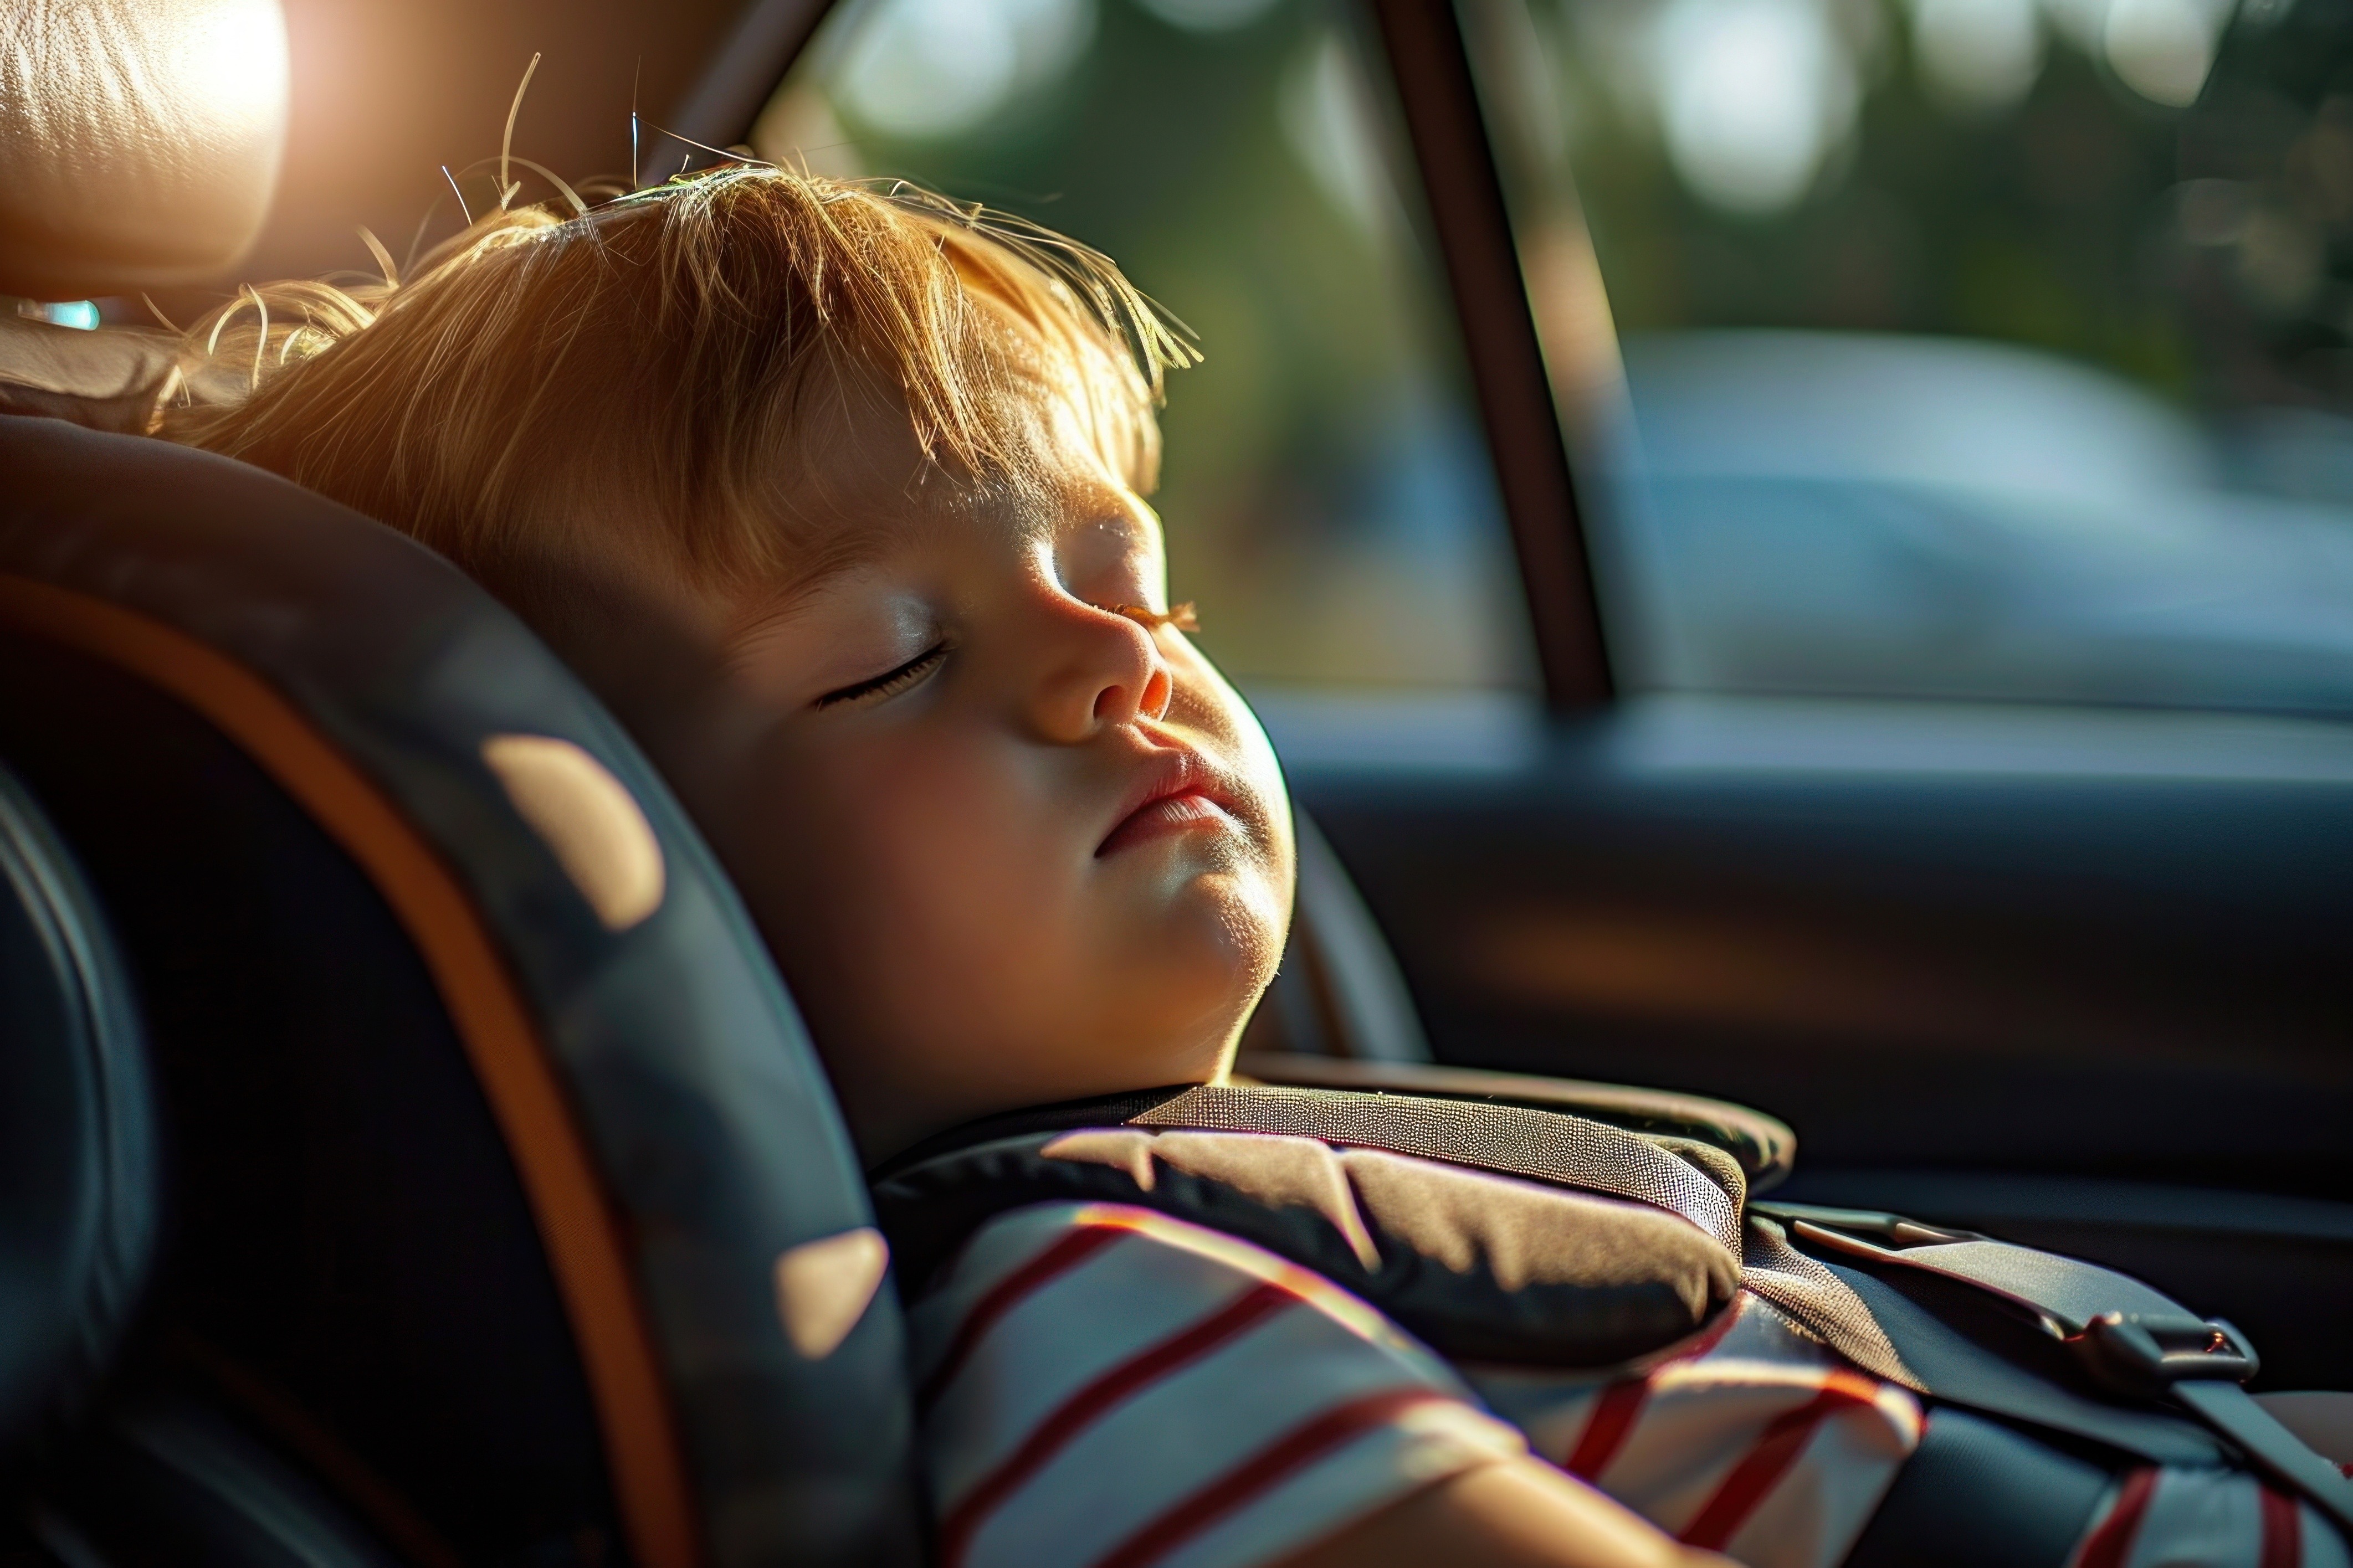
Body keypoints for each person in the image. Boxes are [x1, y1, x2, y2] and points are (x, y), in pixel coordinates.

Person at [160, 166, 2345, 1568]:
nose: (1120, 658)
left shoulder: (1260, 1192)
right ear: (615, 920)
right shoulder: (1097, 1345)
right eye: (888, 661)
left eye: (1139, 582)